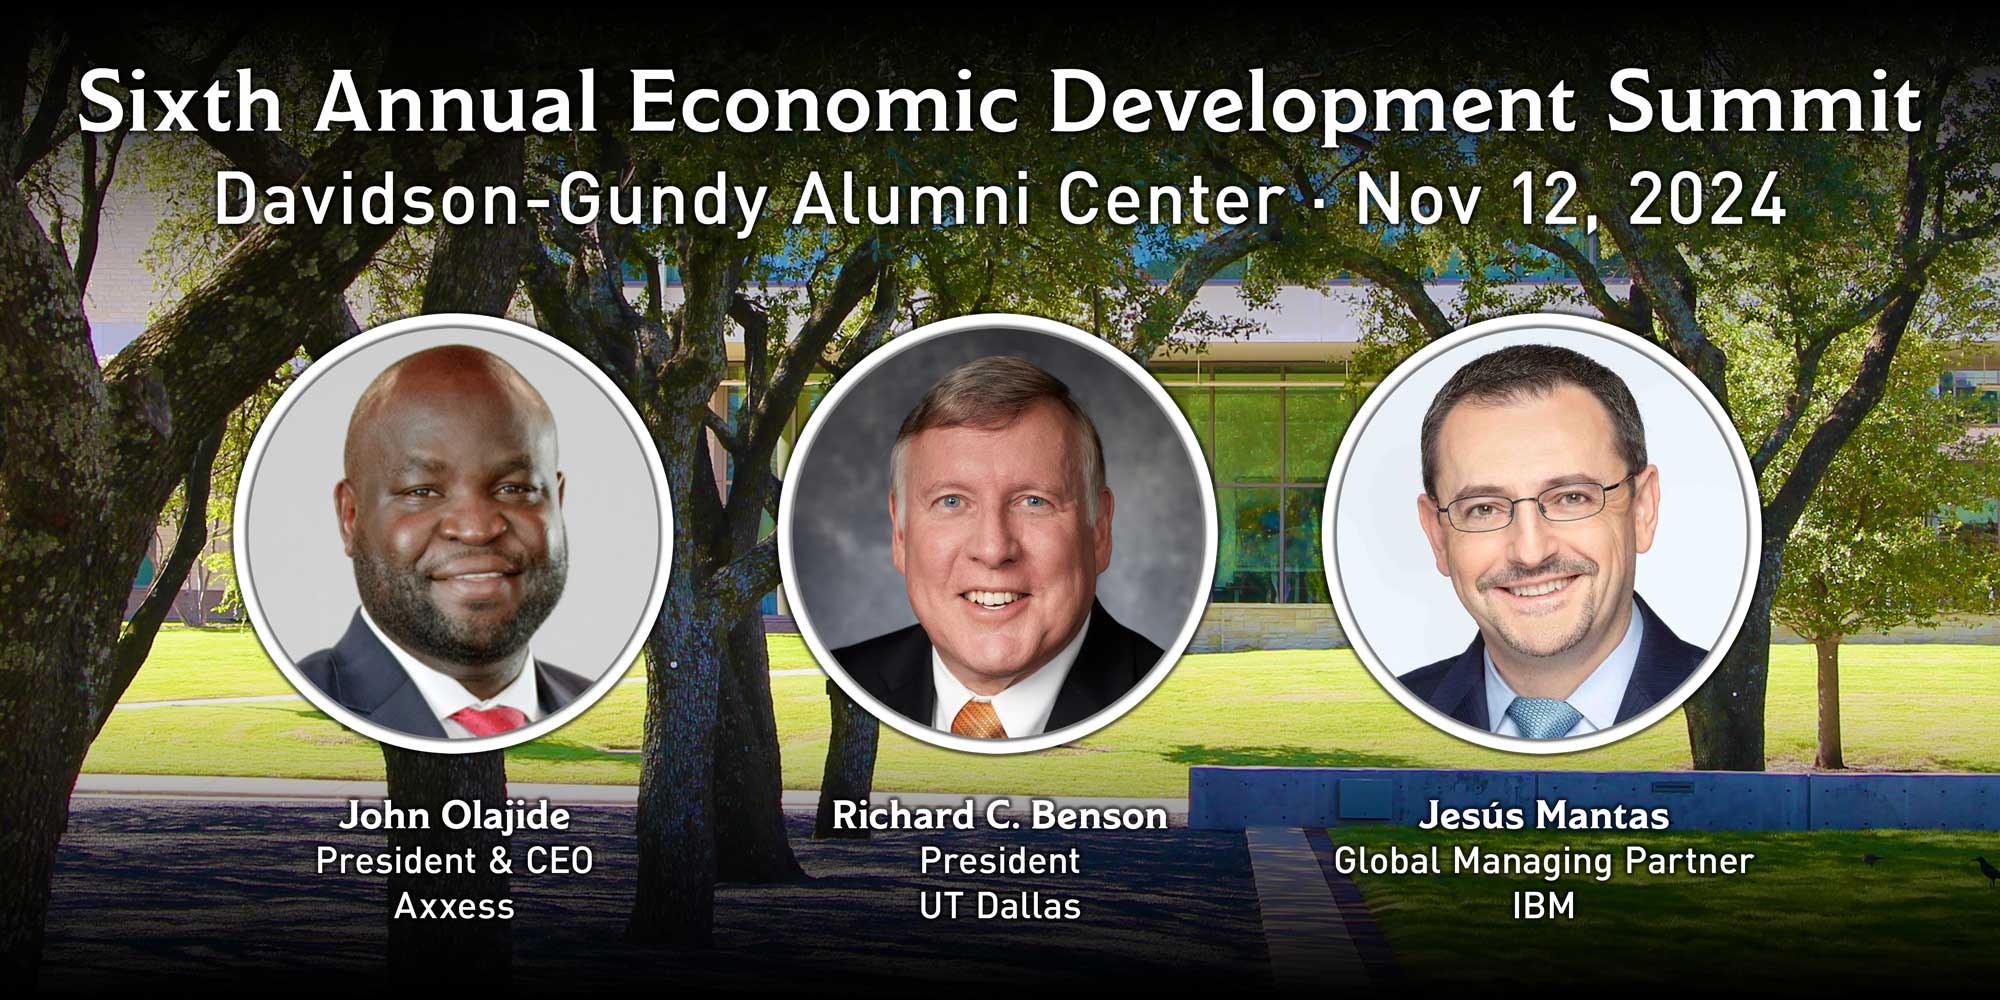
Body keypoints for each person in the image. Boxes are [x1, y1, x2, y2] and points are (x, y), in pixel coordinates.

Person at [830, 356, 1165, 740]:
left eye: (1034, 501)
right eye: (951, 502)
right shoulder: (843, 684)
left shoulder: (1169, 698)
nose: (993, 549)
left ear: (1099, 531)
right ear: (900, 534)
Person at [1400, 343, 1707, 740]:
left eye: (1572, 498)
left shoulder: (1725, 706)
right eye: (1483, 509)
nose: (1530, 552)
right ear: (1438, 535)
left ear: (1642, 509)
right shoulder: (1397, 715)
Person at [296, 344, 586, 740]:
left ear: (557, 502)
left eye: (514, 487)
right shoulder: (304, 705)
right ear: (350, 517)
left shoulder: (585, 701)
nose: (476, 529)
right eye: (423, 491)